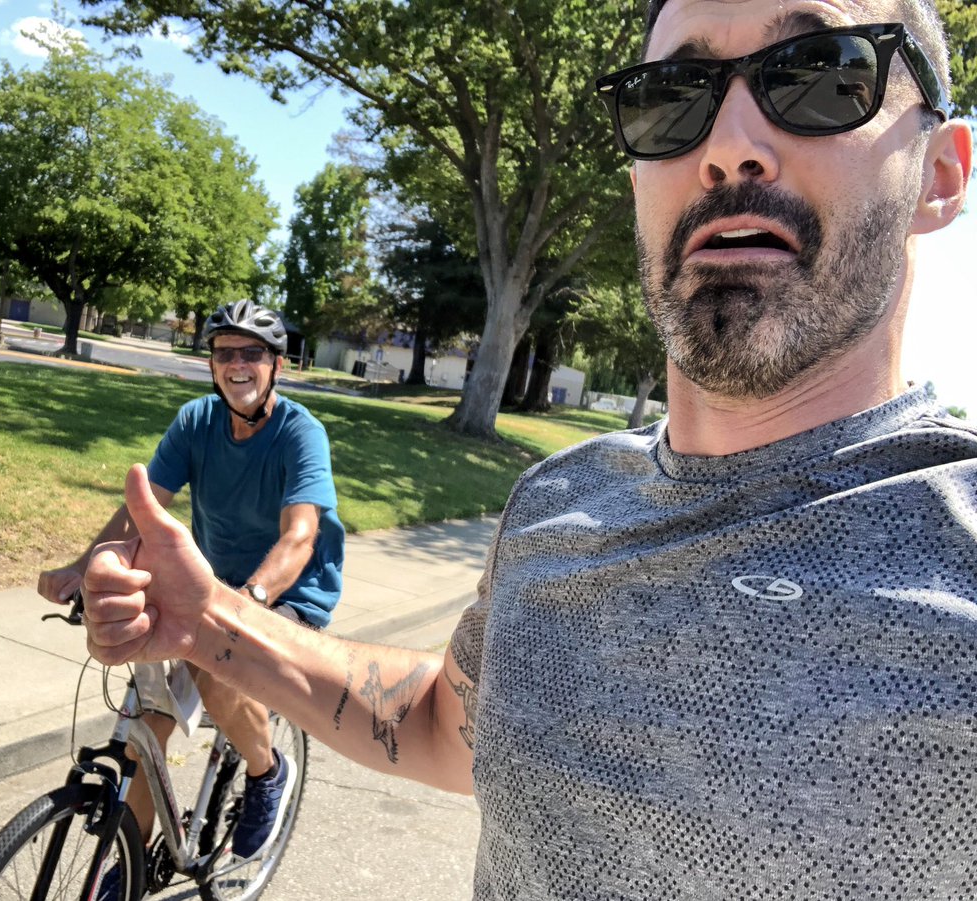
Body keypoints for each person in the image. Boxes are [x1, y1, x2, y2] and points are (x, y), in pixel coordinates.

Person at [77, 0, 975, 896]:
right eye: (674, 97)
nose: (728, 146)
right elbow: (442, 726)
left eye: (819, 75)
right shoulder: (554, 501)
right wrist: (209, 620)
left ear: (940, 172)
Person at [37, 299, 345, 861]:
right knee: (143, 734)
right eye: (225, 354)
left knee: (215, 668)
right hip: (208, 584)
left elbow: (300, 537)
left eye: (252, 353)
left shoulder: (301, 433)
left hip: (288, 594)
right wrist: (83, 568)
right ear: (211, 365)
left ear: (277, 364)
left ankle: (266, 770)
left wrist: (248, 601)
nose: (237, 365)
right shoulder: (196, 421)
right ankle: (128, 870)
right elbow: (143, 509)